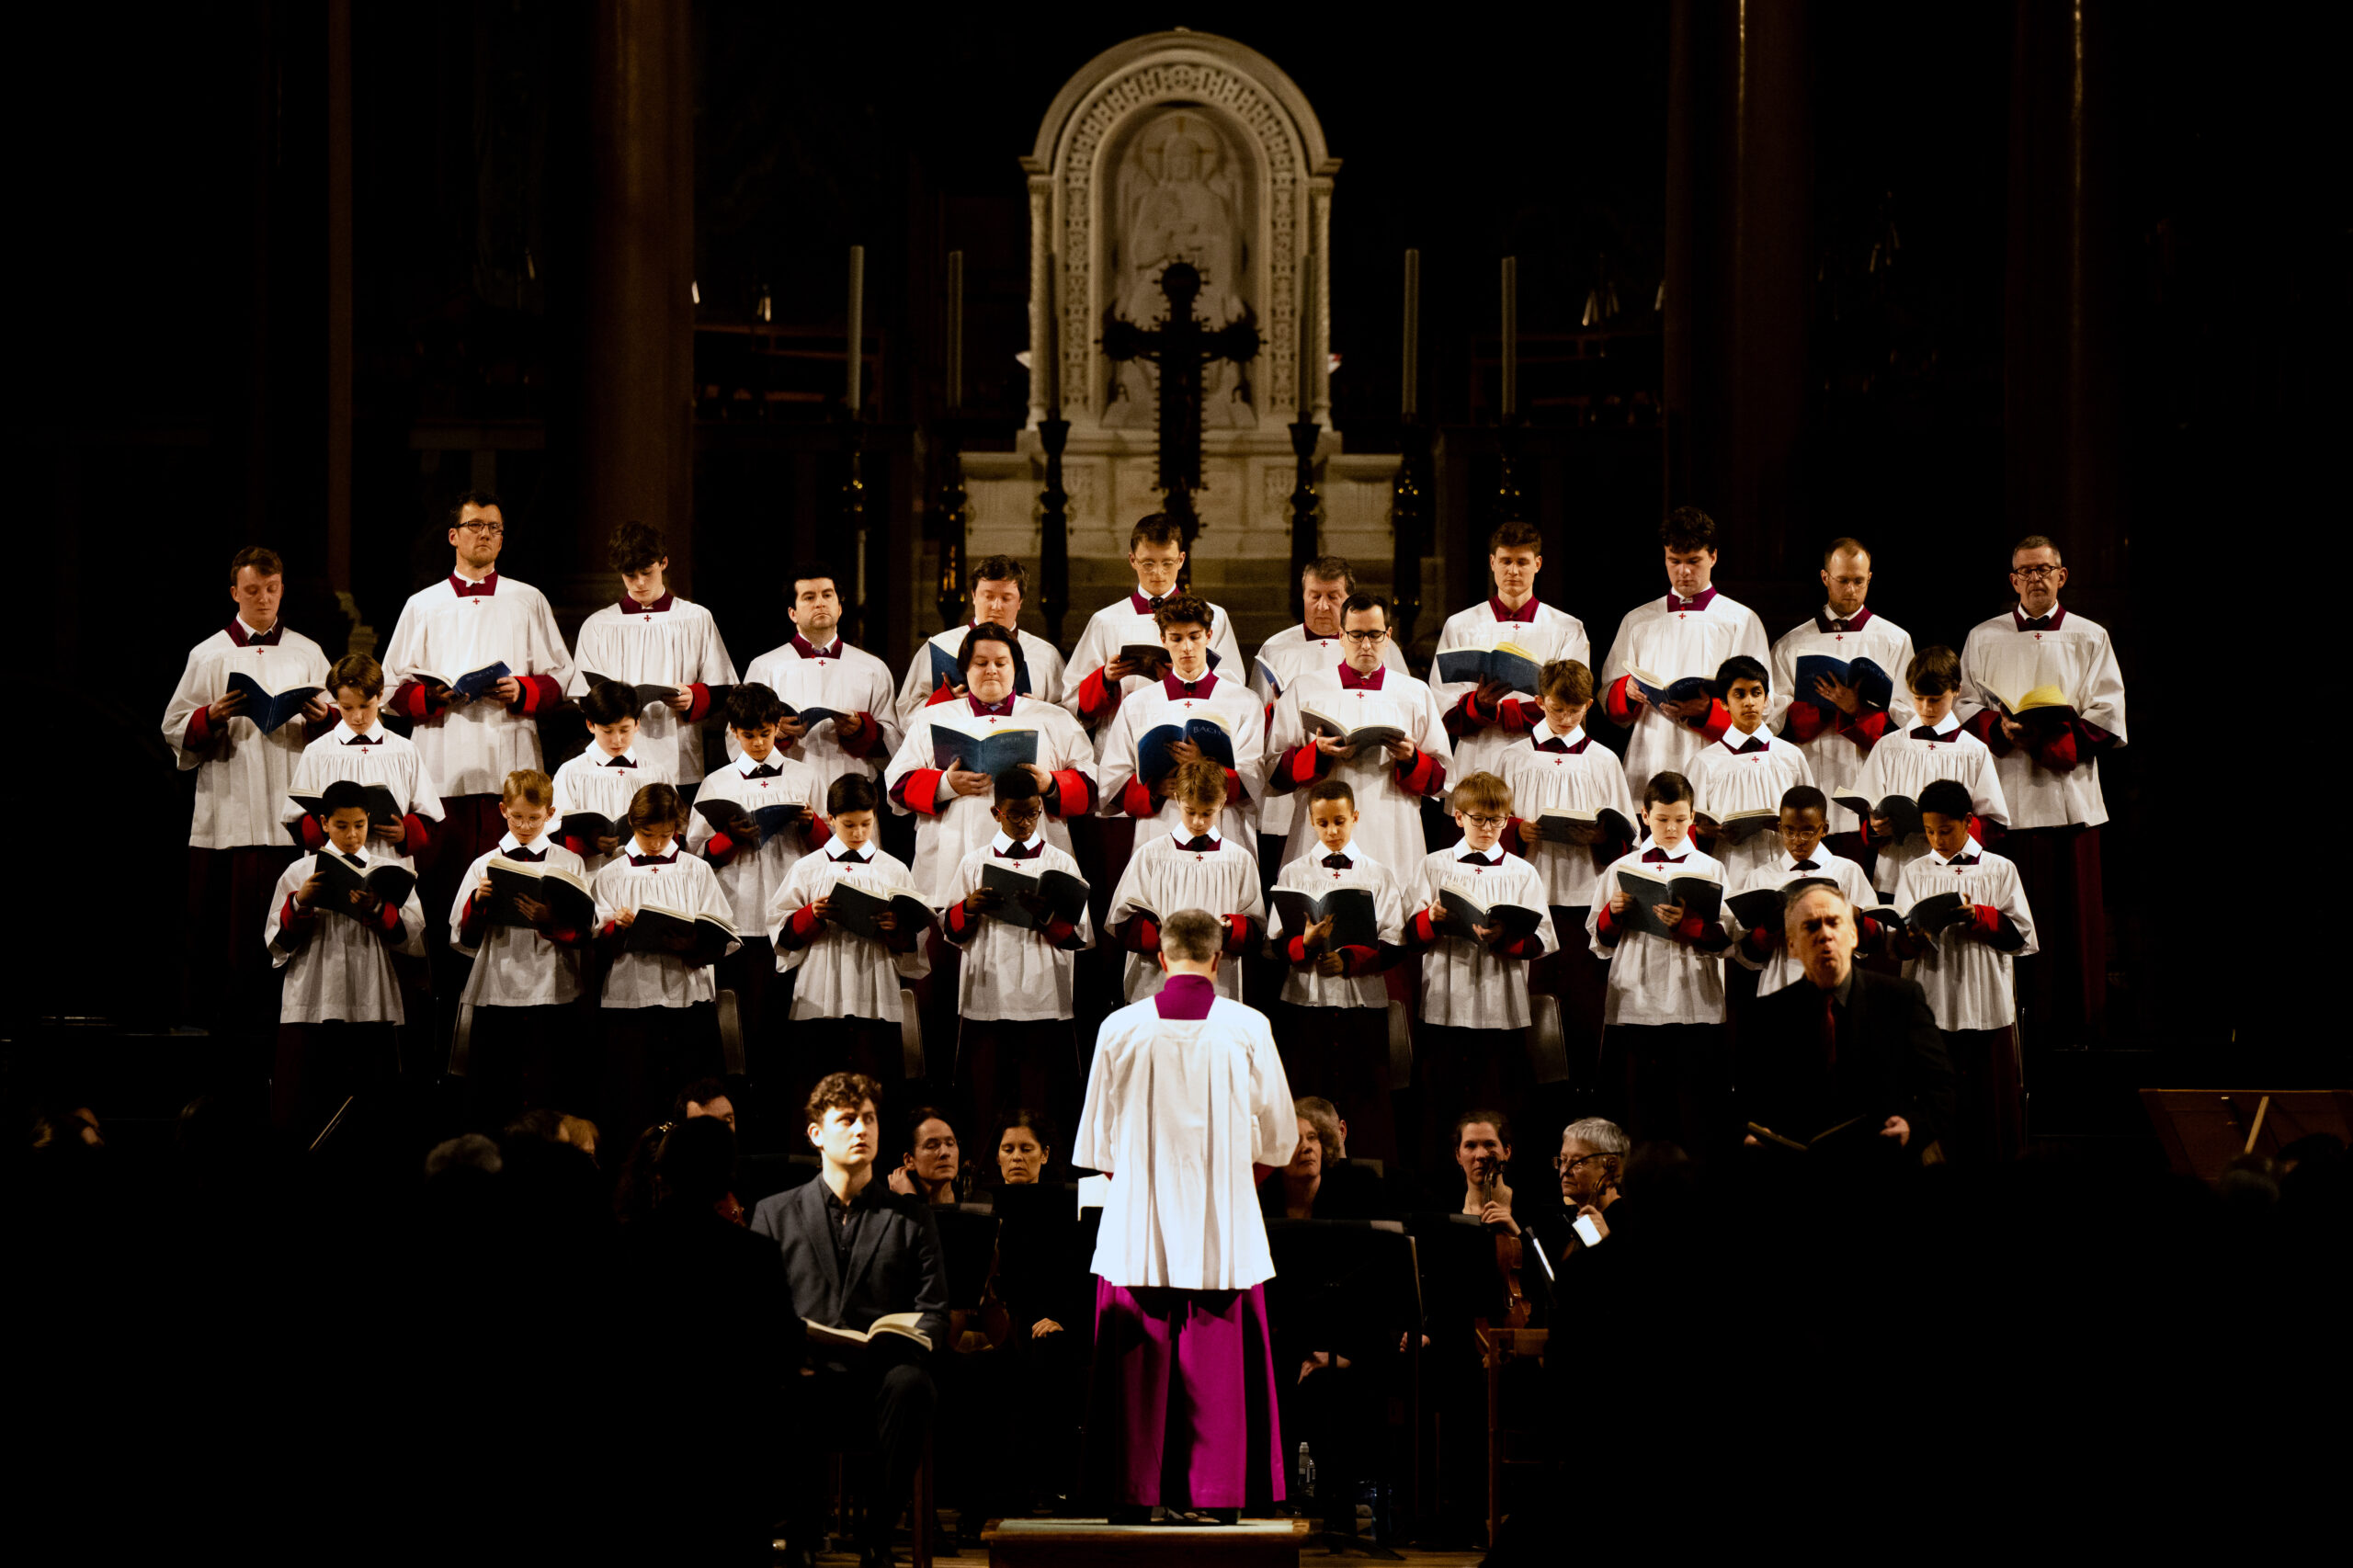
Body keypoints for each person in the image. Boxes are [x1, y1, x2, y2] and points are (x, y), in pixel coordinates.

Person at [1074, 908, 1296, 1523]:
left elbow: (1095, 1145)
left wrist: (1150, 1189)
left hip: (1137, 1230)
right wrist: (1221, 1186)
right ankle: (1216, 1493)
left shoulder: (1119, 1028)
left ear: (1161, 958)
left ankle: (1132, 1490)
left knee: (1136, 1369)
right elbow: (1280, 1139)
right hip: (1222, 1230)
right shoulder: (1248, 1026)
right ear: (1220, 958)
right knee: (1218, 1367)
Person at [749, 1074, 947, 1568]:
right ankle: (800, 1535)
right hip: (806, 1370)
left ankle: (876, 1535)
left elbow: (935, 1311)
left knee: (912, 1386)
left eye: (870, 1119)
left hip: (881, 1373)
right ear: (817, 1134)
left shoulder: (910, 1216)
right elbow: (756, 1311)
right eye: (847, 1119)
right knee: (771, 1383)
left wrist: (899, 1341)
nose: (862, 1129)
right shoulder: (775, 1213)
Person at [1955, 535, 2125, 1042]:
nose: (2035, 578)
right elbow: (1963, 706)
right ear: (2013, 580)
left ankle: (2079, 1029)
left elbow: (2109, 718)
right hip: (2008, 799)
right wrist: (1999, 728)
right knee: (2014, 918)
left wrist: (2051, 739)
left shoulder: (2090, 636)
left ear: (2061, 576)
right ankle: (2012, 1022)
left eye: (2044, 570)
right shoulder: (1983, 636)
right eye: (2025, 571)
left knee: (2071, 929)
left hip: (2067, 799)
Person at [612, 1114, 802, 1564]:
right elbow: (783, 1350)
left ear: (665, 1171)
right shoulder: (753, 1255)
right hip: (730, 1459)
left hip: (645, 1451)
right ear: (728, 1176)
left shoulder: (627, 1246)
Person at [164, 545, 334, 1033]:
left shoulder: (306, 652)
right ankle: (223, 1029)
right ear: (235, 592)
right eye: (253, 590)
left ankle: (286, 1026)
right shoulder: (209, 653)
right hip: (230, 808)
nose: (263, 599)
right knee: (227, 937)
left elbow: (343, 727)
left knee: (290, 935)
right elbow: (174, 726)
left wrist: (323, 719)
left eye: (272, 589)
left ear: (283, 590)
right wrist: (210, 716)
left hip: (288, 802)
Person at [379, 490, 572, 915]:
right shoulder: (423, 604)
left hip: (510, 753)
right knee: (441, 883)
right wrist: (431, 695)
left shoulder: (527, 599)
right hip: (443, 762)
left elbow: (562, 674)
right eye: (475, 526)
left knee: (510, 885)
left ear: (502, 541)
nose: (484, 534)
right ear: (453, 535)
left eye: (494, 528)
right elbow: (389, 686)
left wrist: (524, 691)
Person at [882, 621, 1099, 900]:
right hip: (951, 850)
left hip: (1035, 848)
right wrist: (946, 784)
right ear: (966, 669)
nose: (991, 670)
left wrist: (1050, 784)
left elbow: (1092, 784)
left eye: (1001, 662)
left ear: (1015, 668)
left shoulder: (1053, 718)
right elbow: (897, 785)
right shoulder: (933, 717)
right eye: (981, 662)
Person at [1744, 881, 1953, 1165]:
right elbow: (1749, 1103)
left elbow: (1943, 1091)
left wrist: (1912, 1127)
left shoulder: (1901, 1000)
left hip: (1883, 1163)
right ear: (1791, 944)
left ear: (1853, 935)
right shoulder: (1769, 1014)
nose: (1825, 935)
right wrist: (1756, 1135)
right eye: (1811, 926)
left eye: (1834, 923)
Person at [1406, 772, 1557, 1164]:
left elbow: (1543, 941)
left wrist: (1505, 937)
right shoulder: (1433, 865)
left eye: (1498, 820)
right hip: (1445, 1003)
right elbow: (1406, 933)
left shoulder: (1523, 872)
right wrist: (1433, 919)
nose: (1489, 829)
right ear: (1458, 817)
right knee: (1443, 1108)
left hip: (1499, 1008)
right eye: (1479, 819)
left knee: (1502, 1108)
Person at [262, 778, 429, 1130]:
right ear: (324, 823)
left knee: (371, 1104)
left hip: (370, 991)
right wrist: (301, 901)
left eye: (359, 825)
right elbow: (276, 945)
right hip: (314, 994)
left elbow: (414, 937)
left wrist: (379, 907)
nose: (352, 835)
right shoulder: (299, 871)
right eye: (341, 826)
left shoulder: (391, 869)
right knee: (308, 1102)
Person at [1587, 770, 1737, 1156]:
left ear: (1692, 817)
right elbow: (1600, 944)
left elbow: (1727, 941)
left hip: (1694, 1004)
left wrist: (1689, 925)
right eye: (1662, 819)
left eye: (1681, 819)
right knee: (1638, 1116)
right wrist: (1613, 913)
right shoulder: (1621, 868)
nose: (1672, 828)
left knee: (1694, 1118)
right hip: (1636, 1005)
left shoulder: (1710, 868)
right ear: (1644, 815)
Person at [1503, 659, 1637, 1086]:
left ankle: (1587, 1091)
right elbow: (1488, 826)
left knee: (1584, 1006)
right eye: (1557, 708)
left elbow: (1625, 836)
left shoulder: (1603, 760)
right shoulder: (1514, 757)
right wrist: (1517, 830)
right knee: (1530, 1005)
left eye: (1575, 710)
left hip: (1583, 897)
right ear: (1540, 702)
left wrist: (1599, 838)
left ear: (1588, 707)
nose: (1565, 719)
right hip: (1530, 897)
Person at [1885, 779, 2033, 1165]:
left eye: (1946, 830)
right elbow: (1896, 940)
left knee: (1988, 1102)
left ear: (1968, 822)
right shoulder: (1915, 870)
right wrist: (1913, 935)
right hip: (1932, 994)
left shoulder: (2000, 868)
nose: (1937, 840)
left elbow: (2026, 939)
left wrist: (1981, 917)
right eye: (1930, 831)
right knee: (1935, 1095)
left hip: (1984, 1000)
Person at [939, 769, 1094, 1139]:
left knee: (1042, 1101)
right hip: (988, 993)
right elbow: (949, 929)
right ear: (997, 813)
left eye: (1032, 813)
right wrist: (971, 906)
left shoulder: (1061, 862)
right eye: (1016, 815)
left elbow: (1079, 937)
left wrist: (1045, 915)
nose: (1026, 823)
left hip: (1043, 995)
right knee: (985, 1101)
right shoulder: (974, 862)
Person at [1264, 778, 1410, 1165]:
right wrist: (1306, 945)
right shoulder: (1294, 872)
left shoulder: (1378, 873)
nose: (1332, 831)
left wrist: (1348, 961)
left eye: (1340, 821)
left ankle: (1369, 1188)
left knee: (1366, 1098)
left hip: (1361, 1006)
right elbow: (1275, 941)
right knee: (1306, 1095)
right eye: (1323, 823)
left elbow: (1395, 941)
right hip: (1305, 1003)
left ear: (1355, 818)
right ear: (1311, 821)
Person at [688, 683, 826, 1074]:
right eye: (748, 735)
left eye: (765, 733)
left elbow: (829, 850)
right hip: (740, 909)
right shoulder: (717, 783)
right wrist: (731, 838)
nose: (758, 742)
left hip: (791, 912)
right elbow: (698, 855)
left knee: (790, 1023)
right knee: (744, 1022)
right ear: (733, 730)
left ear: (776, 728)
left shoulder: (806, 776)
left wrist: (810, 825)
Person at [592, 782, 739, 1140]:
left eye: (665, 833)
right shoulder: (611, 873)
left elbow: (723, 933)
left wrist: (693, 942)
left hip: (688, 999)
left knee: (692, 1097)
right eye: (646, 834)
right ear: (631, 824)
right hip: (633, 1002)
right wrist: (618, 928)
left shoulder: (696, 870)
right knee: (636, 1101)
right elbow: (594, 940)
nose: (656, 843)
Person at [1265, 592, 1452, 872]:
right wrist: (1316, 753)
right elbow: (1273, 772)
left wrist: (1411, 758)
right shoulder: (1305, 689)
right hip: (1322, 827)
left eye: (1375, 635)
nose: (1366, 644)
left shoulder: (1414, 692)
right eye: (1356, 635)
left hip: (1392, 827)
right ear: (1341, 635)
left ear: (1389, 636)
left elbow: (1443, 780)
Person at [449, 768, 592, 1130]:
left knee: (551, 1081)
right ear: (502, 810)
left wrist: (551, 918)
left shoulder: (568, 862)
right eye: (517, 817)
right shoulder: (483, 864)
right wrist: (479, 903)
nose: (525, 825)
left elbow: (586, 927)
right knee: (497, 1089)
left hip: (553, 985)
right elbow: (460, 937)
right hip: (499, 985)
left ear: (550, 813)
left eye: (534, 817)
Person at [1248, 555, 1411, 871]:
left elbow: (1403, 704)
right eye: (1314, 596)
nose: (1322, 606)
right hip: (1298, 786)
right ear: (1303, 595)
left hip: (1371, 784)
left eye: (1333, 597)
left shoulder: (1381, 648)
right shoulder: (1276, 648)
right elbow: (1257, 726)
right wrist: (1277, 712)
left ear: (1349, 600)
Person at [771, 775, 930, 1093]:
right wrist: (811, 916)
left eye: (866, 824)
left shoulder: (893, 869)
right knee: (819, 1086)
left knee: (874, 1083)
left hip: (875, 987)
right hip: (821, 990)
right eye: (848, 825)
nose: (858, 833)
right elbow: (780, 933)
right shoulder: (807, 868)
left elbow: (916, 937)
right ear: (830, 819)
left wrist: (894, 927)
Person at [1597, 506, 1771, 795]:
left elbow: (1765, 704)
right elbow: (1607, 697)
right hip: (1651, 749)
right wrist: (1626, 690)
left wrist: (1707, 712)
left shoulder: (1740, 620)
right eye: (1674, 561)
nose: (1684, 572)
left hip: (1717, 752)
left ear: (1713, 556)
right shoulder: (1639, 620)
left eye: (1694, 561)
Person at [1768, 538, 1917, 849]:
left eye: (1859, 581)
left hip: (1868, 768)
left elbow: (1907, 717)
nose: (1851, 589)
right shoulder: (1790, 644)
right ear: (1825, 578)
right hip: (1814, 768)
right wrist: (1821, 707)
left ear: (1870, 579)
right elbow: (1774, 721)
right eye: (1843, 581)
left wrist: (1856, 709)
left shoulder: (1894, 639)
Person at [565, 520, 737, 789]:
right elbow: (584, 695)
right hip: (617, 756)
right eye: (630, 575)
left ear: (664, 562)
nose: (640, 583)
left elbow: (723, 687)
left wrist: (695, 697)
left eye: (647, 571)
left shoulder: (696, 618)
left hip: (679, 754)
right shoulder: (599, 625)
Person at [1096, 596, 1267, 847]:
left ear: (1209, 636)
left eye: (1194, 637)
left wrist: (1203, 766)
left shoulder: (1244, 701)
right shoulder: (1137, 703)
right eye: (1176, 638)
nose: (1186, 648)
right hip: (1159, 828)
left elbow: (1253, 780)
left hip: (1224, 829)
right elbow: (1113, 780)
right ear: (1163, 640)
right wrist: (1155, 788)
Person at [1427, 519, 1592, 778]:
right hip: (1479, 755)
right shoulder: (1460, 625)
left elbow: (1573, 703)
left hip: (1543, 756)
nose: (1513, 570)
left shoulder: (1567, 628)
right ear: (1492, 562)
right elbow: (1442, 708)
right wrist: (1480, 705)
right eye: (1505, 561)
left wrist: (1506, 712)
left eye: (1522, 562)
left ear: (1537, 564)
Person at [1847, 646, 2009, 902]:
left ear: (1956, 690)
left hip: (1953, 875)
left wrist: (1950, 830)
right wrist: (1876, 827)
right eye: (1918, 698)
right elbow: (1866, 812)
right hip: (1895, 873)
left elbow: (1994, 824)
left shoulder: (1974, 750)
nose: (1926, 708)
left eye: (1935, 699)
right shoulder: (1889, 746)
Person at [739, 562, 903, 809]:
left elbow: (894, 740)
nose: (820, 603)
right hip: (787, 794)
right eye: (809, 597)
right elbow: (738, 737)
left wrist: (861, 730)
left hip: (853, 798)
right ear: (792, 612)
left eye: (827, 595)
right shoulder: (766, 667)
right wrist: (776, 731)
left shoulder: (871, 667)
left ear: (839, 607)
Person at [1062, 515, 1244, 736]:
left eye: (1167, 563)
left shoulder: (1214, 617)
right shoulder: (1105, 621)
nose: (1158, 573)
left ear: (1181, 559)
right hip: (1124, 739)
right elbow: (1073, 699)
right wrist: (1106, 679)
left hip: (1192, 738)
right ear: (1132, 560)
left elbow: (1233, 689)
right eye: (1148, 563)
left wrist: (1186, 677)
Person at [1104, 757, 1265, 1003]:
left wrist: (1228, 929)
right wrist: (1165, 935)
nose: (1198, 821)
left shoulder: (1239, 860)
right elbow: (1121, 921)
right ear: (1178, 799)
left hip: (1217, 981)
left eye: (1207, 812)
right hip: (1157, 978)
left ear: (1221, 803)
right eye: (1190, 811)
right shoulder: (1151, 855)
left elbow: (1255, 925)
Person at [281, 653, 441, 869]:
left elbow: (429, 816)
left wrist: (405, 833)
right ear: (336, 701)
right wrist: (329, 829)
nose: (358, 717)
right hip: (333, 860)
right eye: (347, 708)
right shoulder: (317, 752)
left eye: (365, 706)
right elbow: (295, 820)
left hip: (388, 858)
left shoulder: (404, 750)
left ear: (381, 696)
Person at [1729, 787, 1884, 1005]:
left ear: (1824, 829)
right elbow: (1747, 956)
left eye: (1807, 832)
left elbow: (1873, 941)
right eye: (1789, 831)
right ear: (1779, 827)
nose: (1797, 840)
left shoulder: (1846, 870)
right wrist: (1769, 928)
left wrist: (1853, 914)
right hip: (1779, 983)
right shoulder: (1761, 876)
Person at [895, 552, 1068, 725]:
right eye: (989, 596)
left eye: (1006, 598)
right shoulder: (938, 648)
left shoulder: (1045, 655)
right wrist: (943, 702)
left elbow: (1069, 718)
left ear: (1020, 601)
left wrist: (1043, 711)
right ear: (974, 596)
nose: (996, 606)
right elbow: (905, 715)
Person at [1686, 655, 1815, 884]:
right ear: (1724, 702)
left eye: (1756, 693)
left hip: (1785, 865)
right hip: (1730, 865)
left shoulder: (1790, 755)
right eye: (1739, 694)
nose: (1749, 702)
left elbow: (1811, 814)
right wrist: (1703, 832)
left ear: (1766, 699)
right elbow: (1689, 828)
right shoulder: (1705, 761)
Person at [554, 678, 672, 874]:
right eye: (607, 731)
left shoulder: (655, 773)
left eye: (624, 730)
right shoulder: (572, 772)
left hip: (643, 874)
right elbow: (555, 832)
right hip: (591, 872)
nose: (617, 739)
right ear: (591, 725)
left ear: (637, 724)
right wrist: (591, 841)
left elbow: (673, 831)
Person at [1259, 1097, 1391, 1221]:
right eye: (1295, 1139)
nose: (1306, 1147)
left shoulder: (1361, 1189)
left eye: (1312, 1137)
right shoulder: (1263, 1199)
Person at [888, 1107, 963, 1206]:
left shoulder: (981, 1202)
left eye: (950, 1143)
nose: (945, 1152)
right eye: (931, 1146)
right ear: (909, 1161)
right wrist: (909, 1198)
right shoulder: (889, 1209)